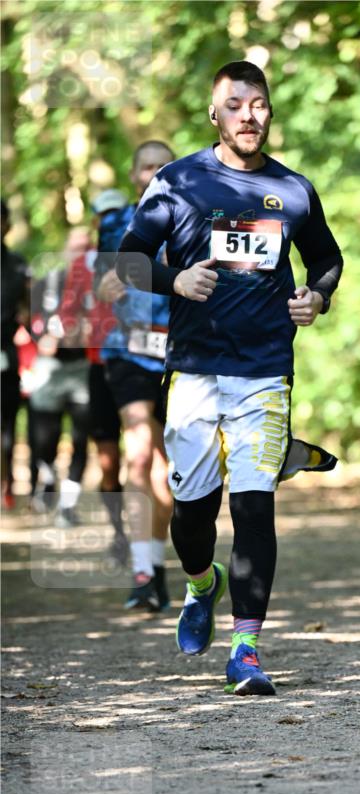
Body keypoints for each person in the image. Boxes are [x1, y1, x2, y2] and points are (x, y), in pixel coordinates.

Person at [116, 61, 343, 695]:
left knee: (253, 507)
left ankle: (246, 647)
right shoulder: (177, 180)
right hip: (193, 371)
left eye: (259, 104)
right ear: (214, 114)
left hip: (266, 370)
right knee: (192, 514)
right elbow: (128, 260)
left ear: (270, 113)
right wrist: (174, 280)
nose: (249, 114)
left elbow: (326, 257)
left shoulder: (293, 191)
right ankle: (200, 583)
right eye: (235, 104)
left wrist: (316, 299)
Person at [96, 143, 175, 611]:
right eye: (147, 165)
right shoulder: (114, 223)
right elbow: (103, 282)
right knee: (140, 453)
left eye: (164, 165)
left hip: (180, 354)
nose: (155, 173)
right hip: (127, 351)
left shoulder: (195, 219)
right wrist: (108, 284)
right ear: (134, 174)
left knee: (170, 474)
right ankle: (143, 572)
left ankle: (156, 565)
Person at [59, 191, 129, 560]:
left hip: (143, 366)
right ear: (96, 222)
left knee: (147, 457)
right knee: (108, 460)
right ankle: (119, 532)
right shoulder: (83, 265)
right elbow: (67, 312)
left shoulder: (144, 255)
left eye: (119, 214)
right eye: (106, 216)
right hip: (101, 367)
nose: (111, 221)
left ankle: (153, 534)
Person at [29, 227, 91, 525]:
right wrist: (41, 336)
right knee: (44, 438)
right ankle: (48, 479)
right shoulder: (50, 281)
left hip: (83, 370)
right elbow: (30, 317)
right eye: (75, 246)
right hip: (50, 368)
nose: (80, 252)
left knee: (81, 438)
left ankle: (68, 506)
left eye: (86, 247)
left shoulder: (99, 284)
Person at [1, 199, 30, 510]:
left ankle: (6, 484)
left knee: (5, 426)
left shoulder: (18, 265)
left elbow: (29, 311)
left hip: (6, 355)